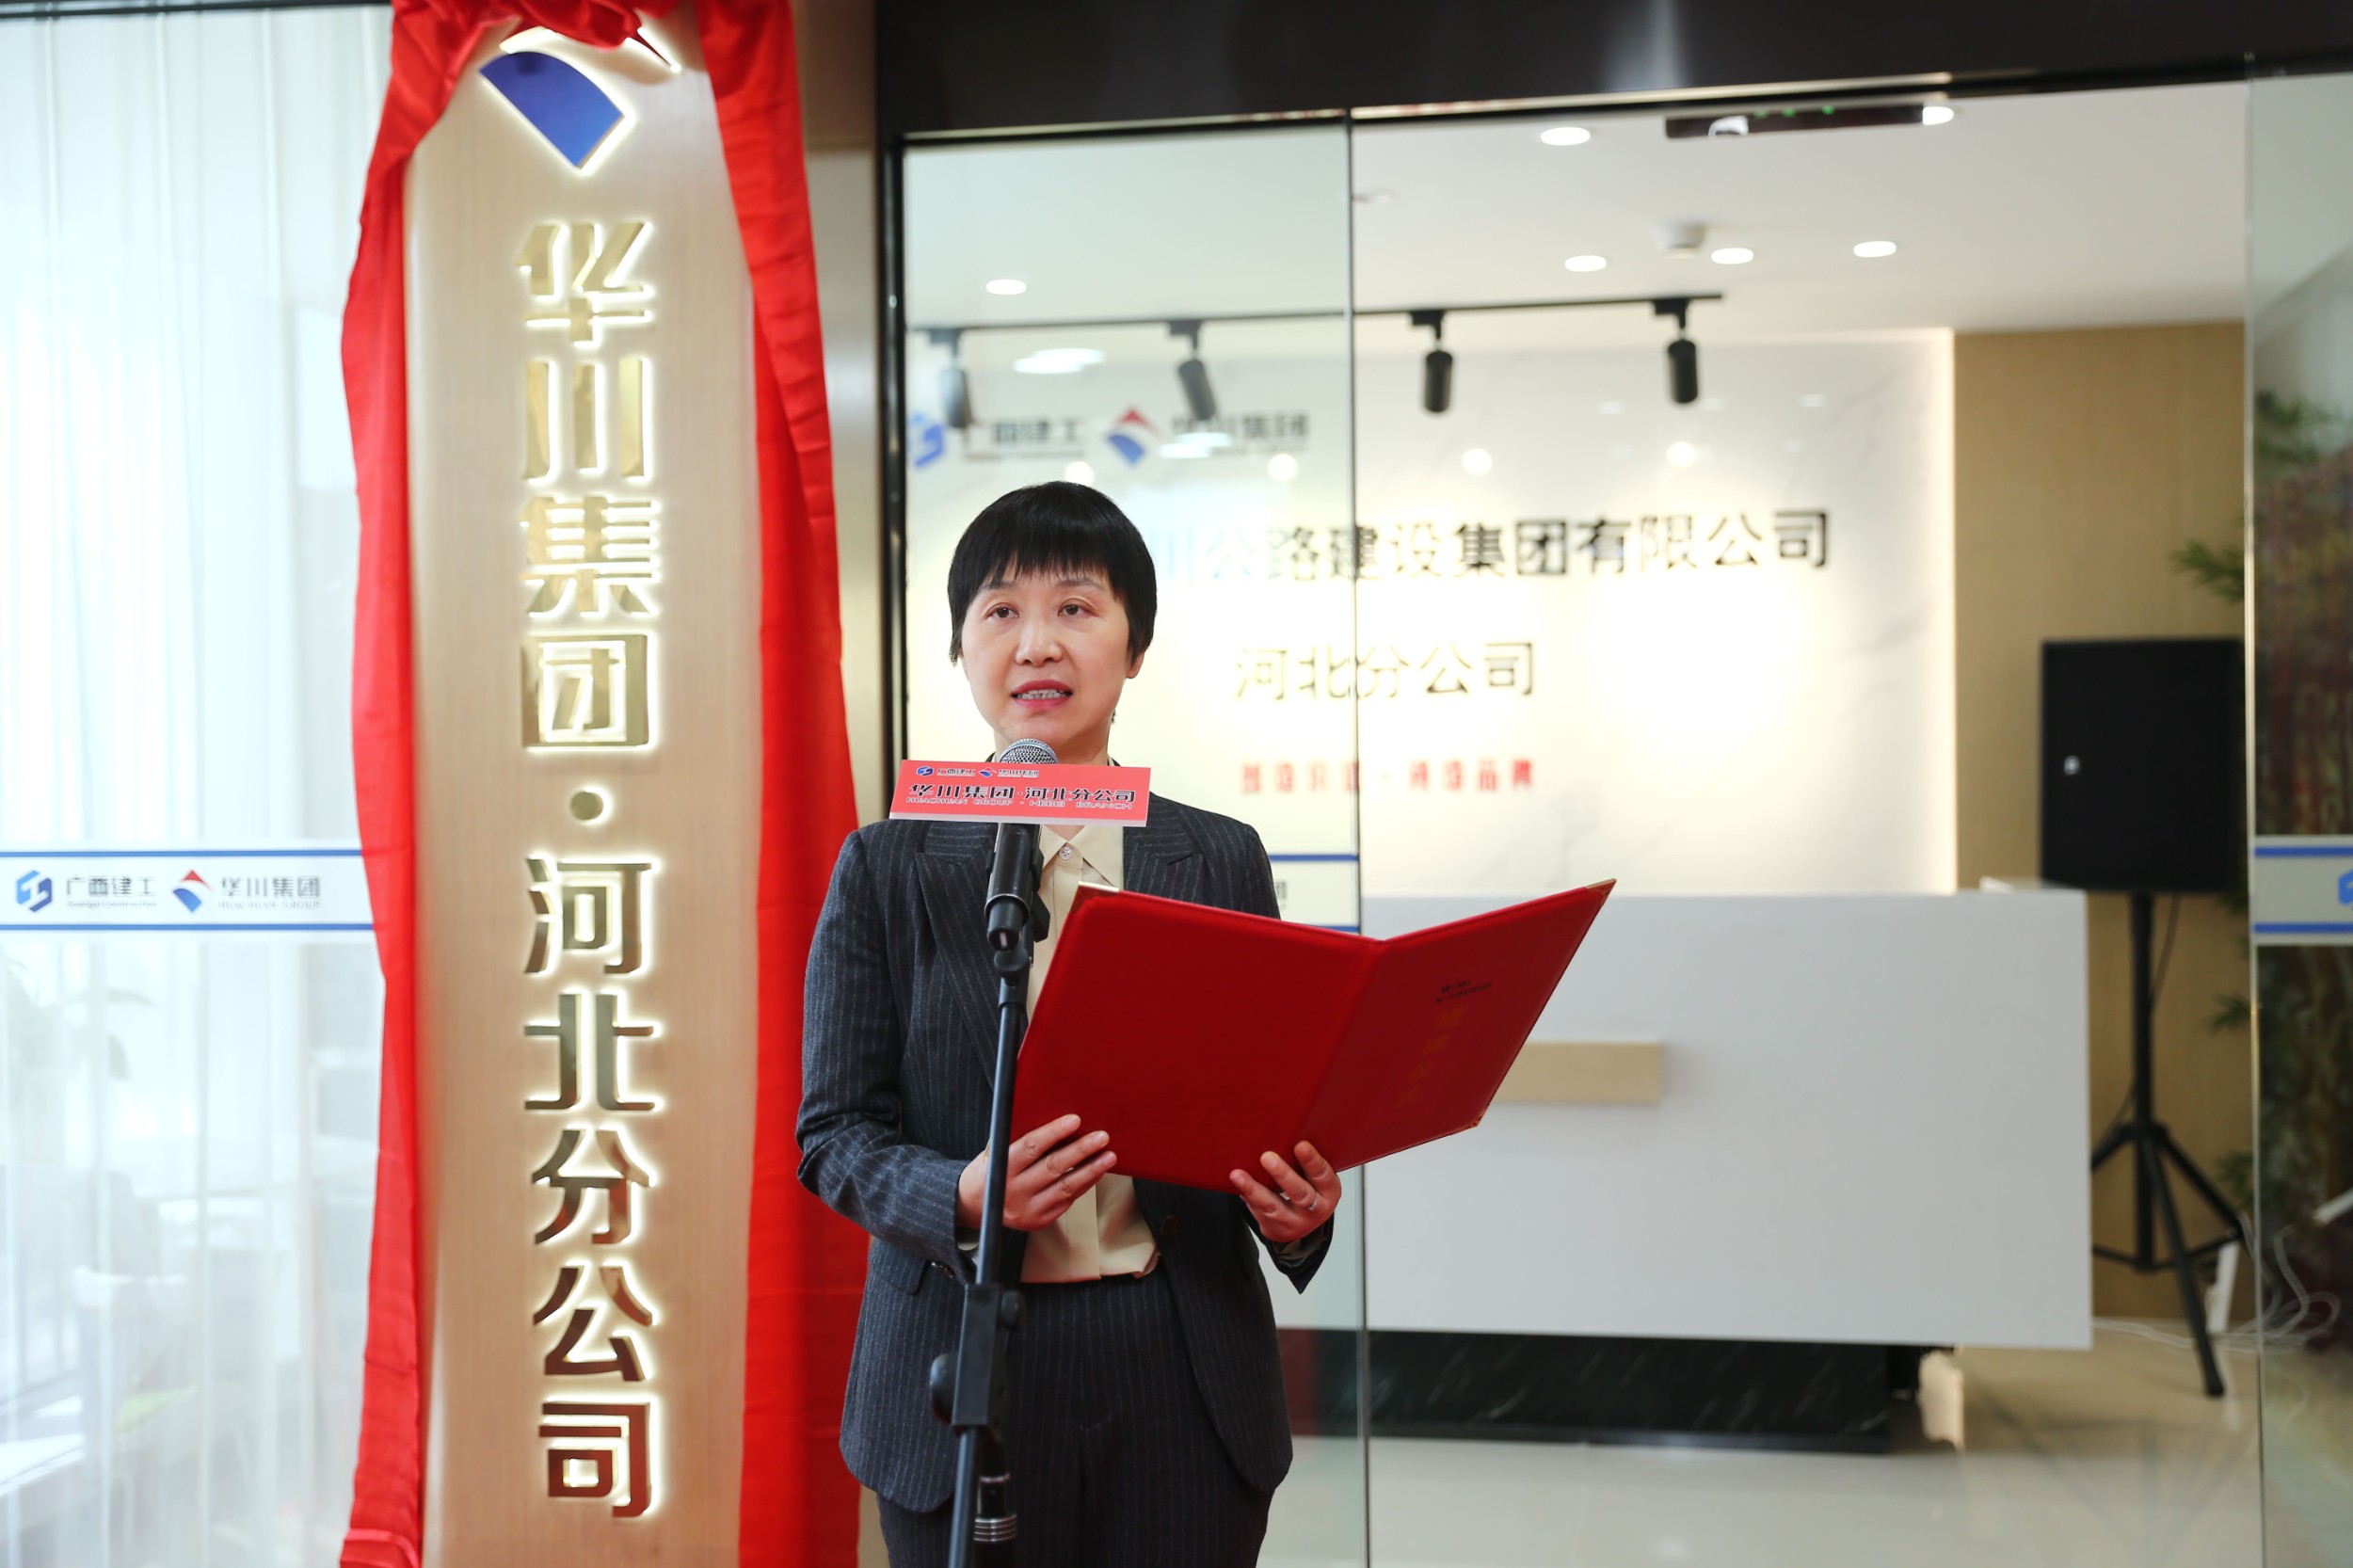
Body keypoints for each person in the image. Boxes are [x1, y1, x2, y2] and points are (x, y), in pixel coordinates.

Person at [798, 481, 1341, 1566]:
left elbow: (1265, 1103)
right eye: (1001, 610)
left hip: (1176, 1356)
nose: (1036, 642)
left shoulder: (1217, 858)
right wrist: (960, 1192)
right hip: (963, 1355)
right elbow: (833, 1135)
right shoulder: (887, 865)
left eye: (1077, 608)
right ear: (960, 646)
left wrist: (1297, 1212)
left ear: (1134, 646)